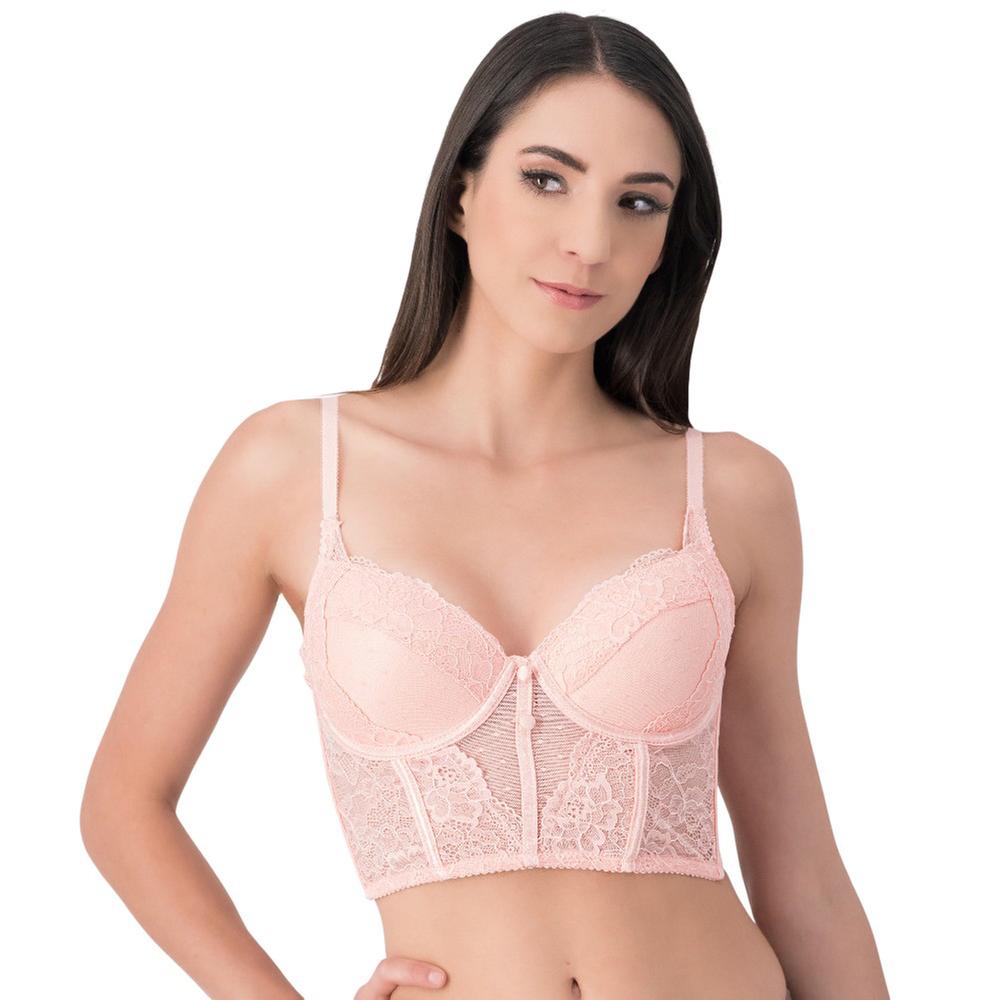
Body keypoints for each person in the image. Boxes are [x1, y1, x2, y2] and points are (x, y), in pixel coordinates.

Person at [80, 12, 890, 1000]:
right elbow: (124, 804)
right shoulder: (293, 469)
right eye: (547, 179)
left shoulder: (731, 492)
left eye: (638, 202)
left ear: (666, 243)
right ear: (461, 191)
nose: (589, 241)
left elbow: (805, 881)